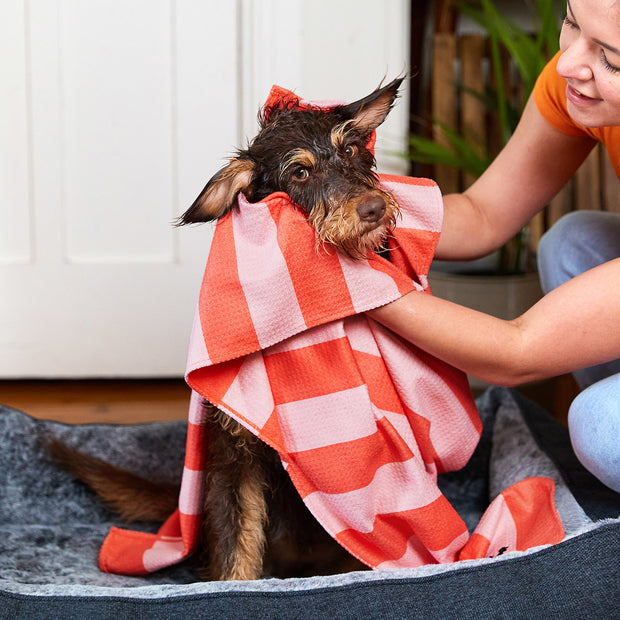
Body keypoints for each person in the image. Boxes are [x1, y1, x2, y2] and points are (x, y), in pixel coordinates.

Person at [369, 0, 620, 492]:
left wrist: (357, 287)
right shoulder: (577, 83)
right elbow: (483, 214)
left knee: (602, 427)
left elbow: (517, 351)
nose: (568, 62)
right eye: (572, 21)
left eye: (612, 59)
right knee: (571, 242)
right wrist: (351, 201)